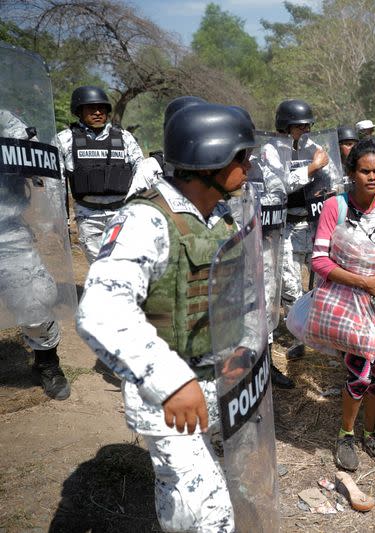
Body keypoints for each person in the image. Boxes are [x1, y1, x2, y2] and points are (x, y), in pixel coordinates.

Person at [76, 103, 260, 532]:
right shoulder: (146, 220)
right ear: (210, 159)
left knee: (197, 494)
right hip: (169, 396)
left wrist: (244, 346)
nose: (248, 167)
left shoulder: (217, 214)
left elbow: (238, 293)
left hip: (220, 382)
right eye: (241, 157)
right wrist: (170, 380)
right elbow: (101, 309)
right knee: (208, 517)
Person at [310, 139, 375, 471]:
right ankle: (346, 435)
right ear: (351, 173)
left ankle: (370, 432)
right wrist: (363, 281)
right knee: (360, 371)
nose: (373, 177)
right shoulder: (334, 207)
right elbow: (319, 261)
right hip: (351, 301)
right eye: (365, 171)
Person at [0, 109, 71, 400]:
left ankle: (46, 362)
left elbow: (37, 159)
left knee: (34, 296)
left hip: (5, 228)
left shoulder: (3, 119)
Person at [56, 85, 144, 264]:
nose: (97, 112)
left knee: (126, 263)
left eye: (102, 108)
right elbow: (56, 182)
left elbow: (141, 172)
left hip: (122, 213)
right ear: (79, 111)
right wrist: (60, 218)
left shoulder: (124, 138)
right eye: (91, 108)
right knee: (100, 267)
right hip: (88, 216)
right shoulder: (65, 140)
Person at [276, 99, 330, 362]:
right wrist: (311, 168)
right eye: (300, 126)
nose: (306, 130)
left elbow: (330, 178)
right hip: (284, 223)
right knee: (290, 282)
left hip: (313, 221)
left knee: (322, 277)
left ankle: (321, 331)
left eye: (308, 125)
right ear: (286, 127)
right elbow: (279, 185)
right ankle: (298, 335)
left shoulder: (316, 149)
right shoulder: (272, 151)